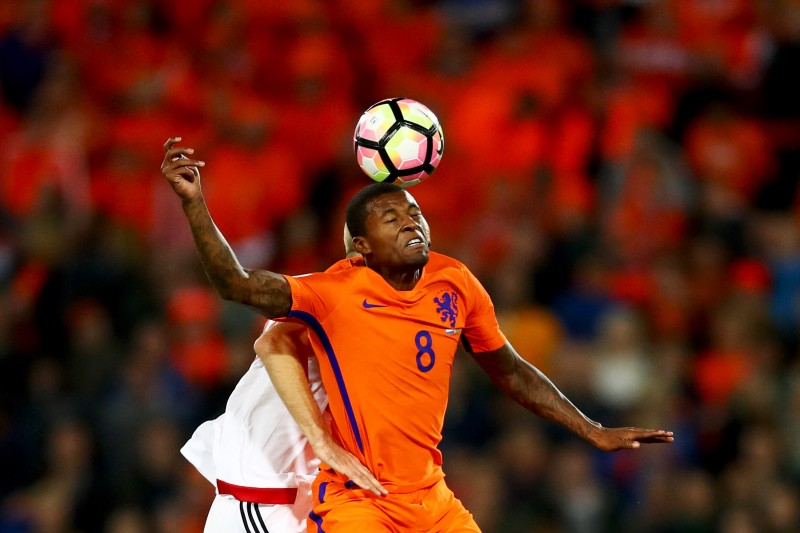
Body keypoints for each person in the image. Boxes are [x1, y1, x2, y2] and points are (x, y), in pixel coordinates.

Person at [161, 137, 674, 532]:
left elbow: (511, 370)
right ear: (360, 247)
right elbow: (237, 286)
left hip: (431, 499)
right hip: (356, 499)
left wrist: (591, 429)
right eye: (391, 218)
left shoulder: (456, 282)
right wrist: (194, 203)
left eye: (415, 213)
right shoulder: (333, 292)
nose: (412, 223)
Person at [181, 225, 384, 533]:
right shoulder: (332, 299)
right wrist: (323, 442)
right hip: (263, 498)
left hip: (282, 499)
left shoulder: (368, 307)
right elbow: (270, 342)